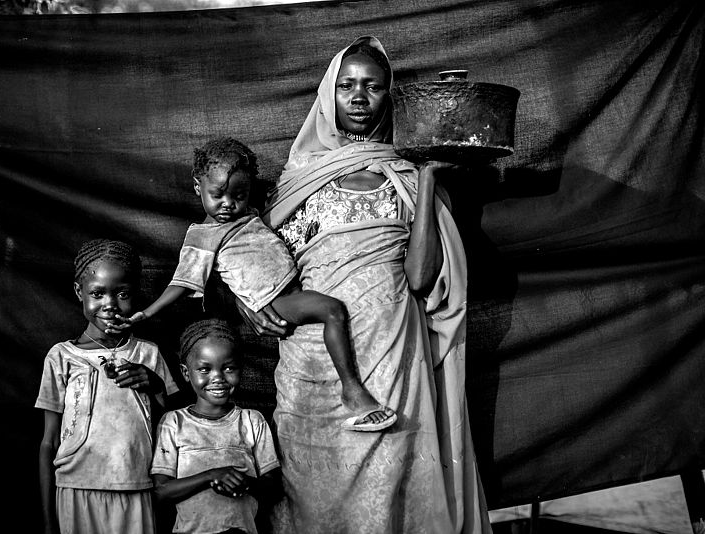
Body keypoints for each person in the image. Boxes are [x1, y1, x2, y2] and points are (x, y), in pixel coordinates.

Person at [236, 37, 492, 533]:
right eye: (346, 86)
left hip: (392, 350)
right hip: (311, 359)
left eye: (372, 87)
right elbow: (253, 256)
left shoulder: (408, 176)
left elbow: (421, 277)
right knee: (313, 491)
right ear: (328, 95)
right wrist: (253, 303)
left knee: (390, 484)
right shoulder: (298, 177)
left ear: (387, 97)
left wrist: (431, 176)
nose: (358, 97)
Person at [111, 137, 395, 431]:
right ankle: (353, 391)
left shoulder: (248, 214)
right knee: (332, 310)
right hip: (276, 302)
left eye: (239, 195)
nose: (228, 204)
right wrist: (148, 312)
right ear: (198, 187)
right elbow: (182, 283)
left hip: (294, 287)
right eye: (217, 194)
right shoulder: (203, 236)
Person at [36, 238, 179, 534]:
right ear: (79, 292)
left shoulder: (148, 354)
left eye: (122, 293)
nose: (110, 304)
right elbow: (48, 442)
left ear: (135, 293)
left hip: (136, 487)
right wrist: (49, 521)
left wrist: (155, 385)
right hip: (75, 489)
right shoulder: (62, 357)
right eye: (97, 293)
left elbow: (173, 429)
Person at [151, 318, 281, 534]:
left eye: (228, 368)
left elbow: (273, 487)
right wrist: (211, 476)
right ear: (186, 373)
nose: (218, 378)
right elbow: (161, 492)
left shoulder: (251, 420)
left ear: (241, 369)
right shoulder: (174, 423)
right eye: (204, 369)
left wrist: (243, 482)